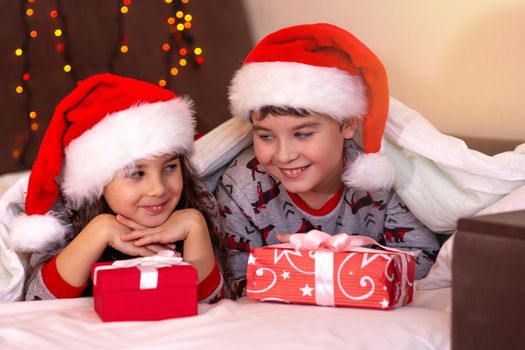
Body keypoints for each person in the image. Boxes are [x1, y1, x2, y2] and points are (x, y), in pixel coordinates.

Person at [215, 23, 440, 298]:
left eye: (303, 134)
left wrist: (330, 266)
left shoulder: (374, 178)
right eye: (266, 137)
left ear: (347, 125)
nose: (284, 155)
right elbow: (239, 282)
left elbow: (424, 257)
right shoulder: (241, 188)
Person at [8, 73, 224, 302]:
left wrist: (195, 229)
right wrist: (99, 231)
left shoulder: (198, 204)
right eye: (137, 173)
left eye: (170, 168)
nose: (158, 189)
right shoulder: (65, 216)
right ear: (98, 181)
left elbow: (218, 311)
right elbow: (36, 304)